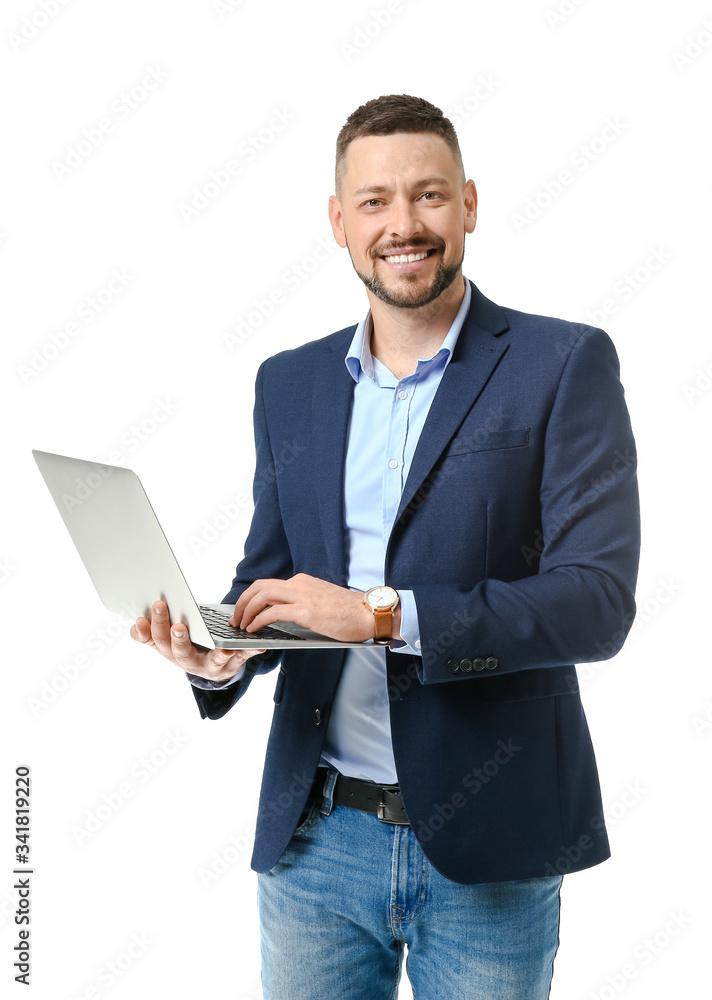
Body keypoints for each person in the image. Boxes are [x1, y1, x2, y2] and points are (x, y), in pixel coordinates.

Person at [131, 94, 640, 999]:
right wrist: (225, 655)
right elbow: (269, 578)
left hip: (491, 846)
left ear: (470, 204)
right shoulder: (289, 384)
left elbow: (595, 602)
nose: (403, 224)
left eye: (429, 195)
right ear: (338, 221)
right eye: (373, 201)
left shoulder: (563, 366)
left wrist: (375, 613)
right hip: (315, 842)